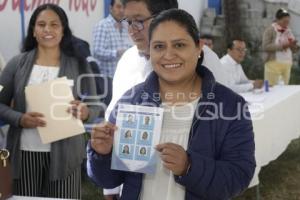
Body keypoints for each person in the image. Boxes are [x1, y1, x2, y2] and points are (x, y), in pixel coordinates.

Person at [87, 9, 255, 200]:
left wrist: (189, 166)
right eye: (159, 46)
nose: (168, 55)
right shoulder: (131, 101)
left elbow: (238, 177)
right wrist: (102, 154)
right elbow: (109, 181)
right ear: (149, 51)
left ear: (198, 47)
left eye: (179, 45)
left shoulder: (229, 106)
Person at [0, 4, 99, 198]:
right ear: (33, 31)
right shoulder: (15, 63)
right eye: (41, 24)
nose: (47, 29)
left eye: (54, 25)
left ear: (63, 31)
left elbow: (95, 105)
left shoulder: (80, 64)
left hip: (66, 155)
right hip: (24, 152)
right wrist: (19, 118)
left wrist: (86, 112)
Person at [105, 0, 228, 119]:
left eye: (138, 21)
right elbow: (113, 112)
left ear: (165, 17)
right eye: (129, 22)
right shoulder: (128, 59)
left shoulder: (202, 58)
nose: (131, 30)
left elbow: (224, 115)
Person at [92, 0, 132, 78]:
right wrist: (116, 53)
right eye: (118, 7)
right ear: (111, 8)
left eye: (123, 7)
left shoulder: (126, 26)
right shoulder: (103, 25)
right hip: (107, 78)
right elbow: (96, 52)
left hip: (124, 75)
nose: (121, 10)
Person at [262, 8, 299, 86]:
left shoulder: (289, 31)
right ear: (277, 20)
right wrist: (283, 46)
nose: (286, 23)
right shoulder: (270, 30)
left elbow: (293, 50)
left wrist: (295, 46)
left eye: (288, 21)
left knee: (284, 90)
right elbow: (265, 46)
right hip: (273, 63)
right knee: (271, 88)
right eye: (284, 21)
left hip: (287, 64)